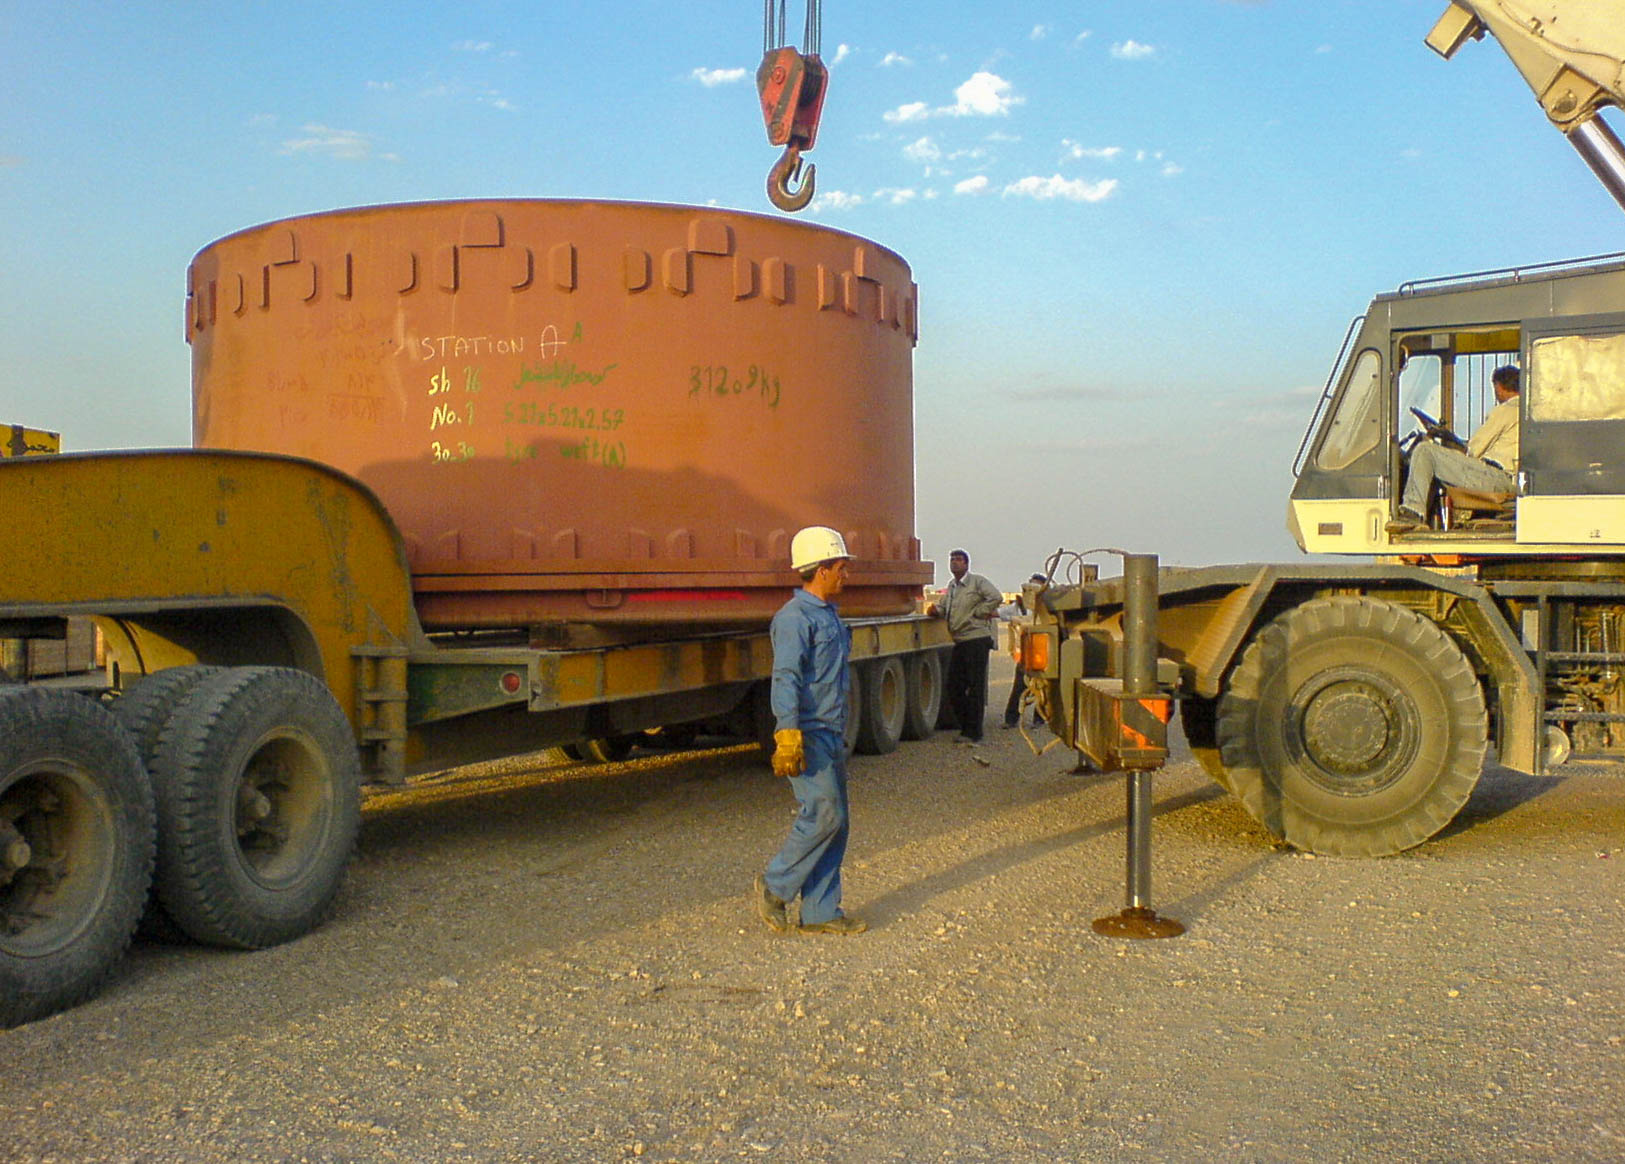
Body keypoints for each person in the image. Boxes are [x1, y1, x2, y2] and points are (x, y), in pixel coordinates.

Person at [753, 525, 867, 937]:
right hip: (807, 732)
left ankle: (820, 911)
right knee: (823, 814)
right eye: (841, 567)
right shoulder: (794, 619)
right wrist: (787, 733)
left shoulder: (828, 615)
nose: (846, 575)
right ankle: (774, 885)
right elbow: (785, 677)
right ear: (821, 569)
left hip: (831, 730)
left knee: (838, 821)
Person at [1391, 365, 1520, 531]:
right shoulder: (1524, 411)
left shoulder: (1506, 410)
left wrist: (1452, 448)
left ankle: (1413, 512)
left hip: (1496, 477)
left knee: (1425, 451)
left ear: (1499, 387)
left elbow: (1474, 449)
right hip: (1508, 478)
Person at [931, 548, 1004, 744]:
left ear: (966, 564)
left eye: (958, 560)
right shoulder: (952, 587)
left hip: (977, 639)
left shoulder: (977, 582)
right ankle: (966, 725)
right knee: (954, 686)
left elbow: (996, 597)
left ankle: (973, 732)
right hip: (960, 640)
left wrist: (980, 612)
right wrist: (935, 610)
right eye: (952, 560)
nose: (954, 563)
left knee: (975, 686)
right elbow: (944, 606)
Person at [1003, 573, 1048, 728]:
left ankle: (1039, 719)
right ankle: (1011, 719)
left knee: (1043, 688)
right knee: (1019, 687)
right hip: (1025, 654)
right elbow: (1002, 614)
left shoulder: (1049, 607)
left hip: (1044, 653)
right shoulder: (1020, 606)